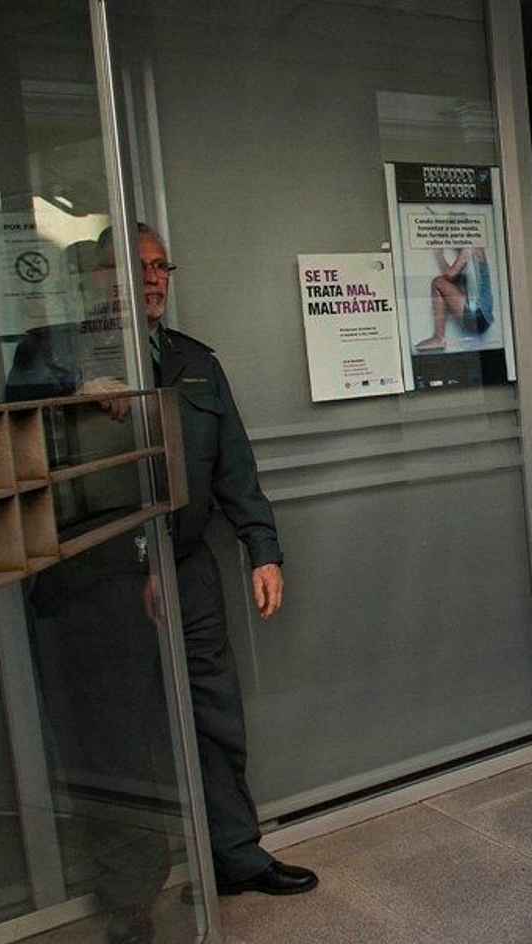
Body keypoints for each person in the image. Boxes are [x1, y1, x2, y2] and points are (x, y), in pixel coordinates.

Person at [110, 222, 318, 899]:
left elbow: (234, 468)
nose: (153, 278)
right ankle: (130, 889)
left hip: (188, 565)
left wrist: (264, 550)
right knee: (120, 733)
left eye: (162, 265)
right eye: (138, 265)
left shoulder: (192, 360)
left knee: (214, 716)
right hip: (106, 580)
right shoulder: (58, 365)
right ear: (98, 277)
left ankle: (236, 857)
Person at [413, 245, 492, 352]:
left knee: (438, 282)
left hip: (479, 313)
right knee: (457, 283)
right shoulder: (475, 249)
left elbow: (450, 274)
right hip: (484, 317)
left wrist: (438, 255)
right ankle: (438, 338)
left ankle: (438, 338)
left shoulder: (471, 246)